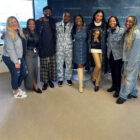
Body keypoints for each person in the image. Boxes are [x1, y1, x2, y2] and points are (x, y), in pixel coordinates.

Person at [116, 16, 140, 104]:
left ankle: (123, 95)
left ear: (134, 23)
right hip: (127, 59)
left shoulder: (136, 33)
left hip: (133, 60)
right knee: (132, 77)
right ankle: (133, 92)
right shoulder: (128, 32)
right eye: (126, 21)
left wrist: (131, 63)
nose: (127, 23)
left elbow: (136, 51)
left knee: (129, 78)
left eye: (130, 21)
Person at [2, 16, 27, 98]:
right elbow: (10, 49)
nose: (14, 23)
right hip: (10, 58)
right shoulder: (9, 34)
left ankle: (16, 87)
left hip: (19, 57)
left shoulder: (18, 31)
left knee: (23, 73)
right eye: (11, 22)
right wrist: (16, 62)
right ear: (8, 24)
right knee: (15, 74)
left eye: (15, 21)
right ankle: (16, 92)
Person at [36, 6, 57, 90]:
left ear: (51, 12)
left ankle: (50, 81)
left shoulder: (53, 21)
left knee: (52, 66)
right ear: (43, 12)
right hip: (43, 48)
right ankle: (45, 82)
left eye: (49, 11)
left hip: (51, 47)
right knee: (44, 67)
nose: (47, 12)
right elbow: (31, 28)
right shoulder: (38, 22)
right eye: (46, 11)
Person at [88, 10, 107, 92]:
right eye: (98, 15)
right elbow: (88, 38)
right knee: (98, 65)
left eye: (101, 16)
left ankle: (97, 83)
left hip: (102, 48)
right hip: (93, 48)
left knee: (100, 66)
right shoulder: (90, 25)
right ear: (94, 16)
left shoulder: (104, 25)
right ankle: (93, 77)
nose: (99, 17)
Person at [107, 16, 124, 98]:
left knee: (117, 73)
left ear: (116, 22)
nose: (112, 22)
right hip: (110, 55)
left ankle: (118, 89)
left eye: (113, 21)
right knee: (113, 72)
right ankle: (113, 86)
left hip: (118, 56)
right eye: (110, 21)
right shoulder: (109, 31)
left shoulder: (122, 31)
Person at [23, 19, 42, 93]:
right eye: (29, 24)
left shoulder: (37, 32)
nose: (31, 25)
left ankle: (32, 84)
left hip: (35, 53)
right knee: (30, 70)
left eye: (33, 24)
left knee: (35, 70)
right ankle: (34, 86)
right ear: (27, 25)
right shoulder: (24, 32)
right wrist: (3, 36)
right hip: (28, 53)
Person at [56, 11, 73, 87]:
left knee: (69, 64)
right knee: (59, 64)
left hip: (68, 48)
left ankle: (68, 78)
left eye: (68, 16)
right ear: (62, 16)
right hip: (59, 48)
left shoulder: (72, 25)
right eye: (65, 16)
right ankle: (60, 79)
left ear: (69, 18)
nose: (66, 17)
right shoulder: (57, 25)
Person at [72, 15, 87, 93]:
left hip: (84, 49)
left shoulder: (85, 28)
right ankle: (80, 85)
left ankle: (81, 80)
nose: (78, 20)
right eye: (76, 19)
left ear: (82, 20)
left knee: (83, 65)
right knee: (79, 65)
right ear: (74, 21)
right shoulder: (73, 29)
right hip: (77, 49)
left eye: (80, 18)